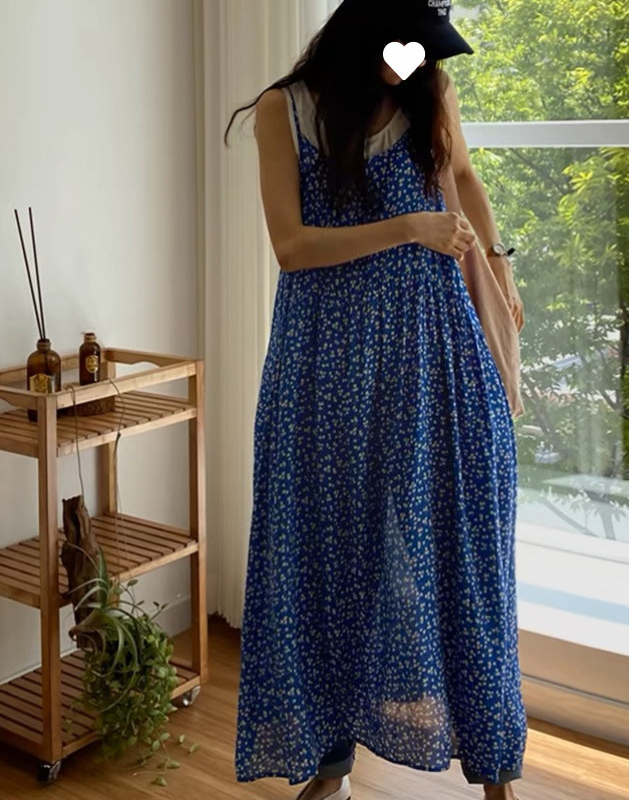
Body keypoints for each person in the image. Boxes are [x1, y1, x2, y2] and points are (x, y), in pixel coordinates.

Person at [225, 1, 527, 799]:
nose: (420, 66)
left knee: (464, 547)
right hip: (324, 363)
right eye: (410, 51)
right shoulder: (284, 111)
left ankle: (495, 768)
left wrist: (499, 267)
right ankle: (330, 766)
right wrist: (410, 227)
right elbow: (292, 247)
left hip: (435, 351)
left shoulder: (431, 92)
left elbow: (464, 178)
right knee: (320, 550)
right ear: (366, 41)